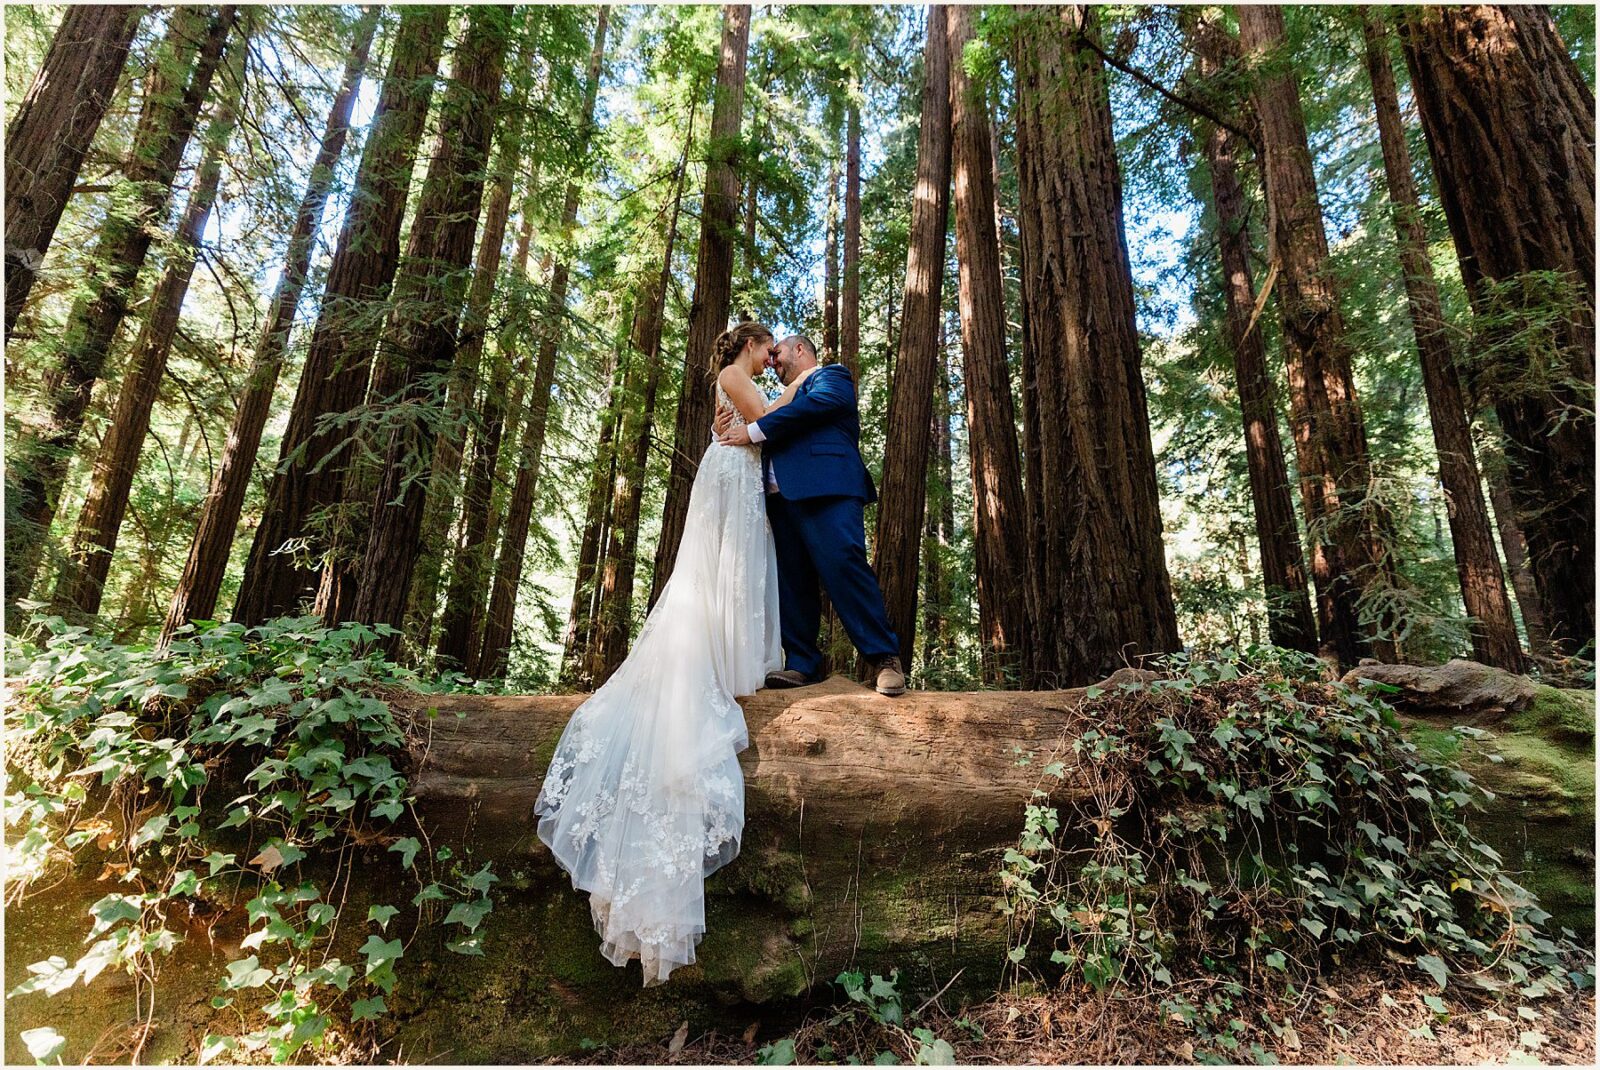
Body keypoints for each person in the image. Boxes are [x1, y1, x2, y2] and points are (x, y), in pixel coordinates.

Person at [534, 321, 807, 985]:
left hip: (739, 474)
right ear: (751, 345)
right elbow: (771, 418)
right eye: (768, 347)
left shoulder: (738, 379)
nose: (771, 357)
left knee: (740, 565)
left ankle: (736, 656)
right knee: (728, 566)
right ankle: (721, 659)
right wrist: (796, 392)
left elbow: (762, 428)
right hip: (731, 475)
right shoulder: (736, 376)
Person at [715, 334, 906, 697]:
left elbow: (814, 408)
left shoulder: (829, 377)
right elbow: (759, 423)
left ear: (800, 350)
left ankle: (884, 658)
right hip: (776, 499)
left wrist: (754, 430)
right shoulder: (776, 400)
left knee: (844, 565)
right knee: (790, 582)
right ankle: (802, 663)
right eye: (768, 356)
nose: (773, 361)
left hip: (826, 488)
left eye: (778, 353)